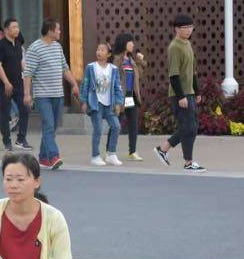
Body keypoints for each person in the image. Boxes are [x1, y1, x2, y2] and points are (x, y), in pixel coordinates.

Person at [23, 18, 80, 170]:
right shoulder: (35, 48)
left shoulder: (57, 47)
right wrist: (27, 94)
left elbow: (64, 68)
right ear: (50, 31)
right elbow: (28, 73)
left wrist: (74, 84)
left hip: (58, 95)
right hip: (43, 96)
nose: (60, 32)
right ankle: (54, 156)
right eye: (58, 29)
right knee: (48, 125)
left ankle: (43, 158)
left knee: (52, 127)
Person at [154, 15, 206, 173]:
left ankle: (164, 149)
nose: (189, 30)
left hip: (189, 93)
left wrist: (196, 91)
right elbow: (174, 75)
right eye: (185, 27)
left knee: (192, 127)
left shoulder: (187, 44)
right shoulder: (174, 47)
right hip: (179, 95)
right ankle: (187, 162)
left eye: (191, 27)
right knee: (188, 127)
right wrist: (181, 96)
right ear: (176, 29)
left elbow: (193, 71)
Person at [80, 43, 124, 166]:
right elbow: (85, 84)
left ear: (108, 54)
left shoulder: (113, 69)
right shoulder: (90, 67)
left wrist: (118, 103)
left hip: (109, 104)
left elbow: (117, 87)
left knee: (116, 126)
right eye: (98, 49)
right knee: (98, 129)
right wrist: (84, 101)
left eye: (102, 50)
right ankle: (95, 156)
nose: (99, 52)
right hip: (96, 103)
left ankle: (111, 154)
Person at [0, 18, 32, 152]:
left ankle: (21, 139)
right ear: (6, 30)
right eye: (13, 27)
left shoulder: (18, 42)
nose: (17, 29)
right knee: (5, 113)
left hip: (18, 83)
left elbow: (21, 60)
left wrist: (27, 74)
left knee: (25, 109)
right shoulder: (1, 45)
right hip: (5, 85)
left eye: (17, 27)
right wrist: (6, 82)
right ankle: (7, 141)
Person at [112, 33, 148, 161]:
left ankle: (132, 151)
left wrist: (140, 61)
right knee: (116, 124)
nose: (133, 44)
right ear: (124, 43)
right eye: (130, 42)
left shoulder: (131, 60)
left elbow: (138, 76)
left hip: (131, 96)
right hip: (120, 97)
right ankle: (110, 151)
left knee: (133, 124)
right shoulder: (117, 59)